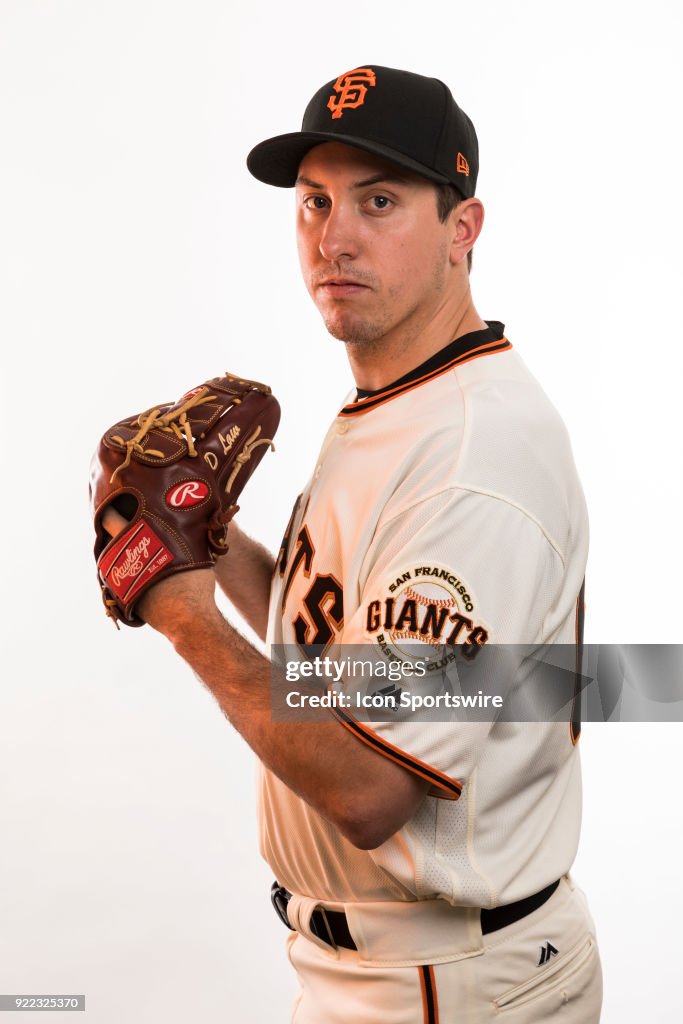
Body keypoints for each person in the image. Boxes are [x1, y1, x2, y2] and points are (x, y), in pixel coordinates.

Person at [105, 64, 602, 1021]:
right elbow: (341, 648)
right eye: (314, 201)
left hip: (452, 985)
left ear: (463, 229)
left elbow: (370, 787)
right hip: (380, 970)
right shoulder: (405, 400)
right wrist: (207, 534)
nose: (334, 237)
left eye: (380, 200)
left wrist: (182, 613)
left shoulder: (473, 456)